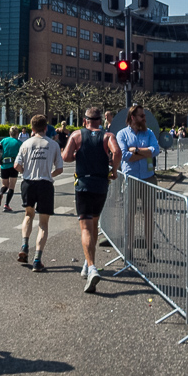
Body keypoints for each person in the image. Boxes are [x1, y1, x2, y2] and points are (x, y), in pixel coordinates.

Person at [61, 107, 121, 293]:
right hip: (101, 185)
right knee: (94, 224)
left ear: (85, 120)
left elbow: (66, 157)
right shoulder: (107, 136)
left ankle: (92, 266)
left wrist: (76, 154)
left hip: (84, 185)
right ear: (99, 120)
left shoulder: (77, 135)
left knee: (85, 227)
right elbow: (117, 152)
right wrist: (114, 170)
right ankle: (88, 264)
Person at [13, 114, 63, 272]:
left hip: (28, 183)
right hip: (45, 184)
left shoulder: (26, 143)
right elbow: (60, 168)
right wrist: (50, 175)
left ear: (32, 129)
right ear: (46, 127)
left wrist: (25, 172)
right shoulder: (53, 144)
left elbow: (16, 165)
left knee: (28, 215)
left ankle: (24, 245)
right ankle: (37, 259)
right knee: (43, 223)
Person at [116, 105, 160, 252]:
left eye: (144, 116)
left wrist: (134, 150)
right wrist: (144, 152)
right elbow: (123, 155)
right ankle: (129, 249)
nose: (144, 118)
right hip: (131, 179)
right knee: (130, 215)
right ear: (133, 118)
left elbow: (155, 150)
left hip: (148, 178)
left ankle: (149, 249)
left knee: (148, 215)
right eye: (142, 116)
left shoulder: (149, 133)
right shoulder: (122, 134)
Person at [0, 126, 22, 212]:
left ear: (9, 133)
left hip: (4, 165)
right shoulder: (19, 143)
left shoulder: (4, 140)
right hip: (14, 165)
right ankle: (6, 205)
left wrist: (1, 156)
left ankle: (1, 193)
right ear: (17, 134)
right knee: (11, 187)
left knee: (4, 185)